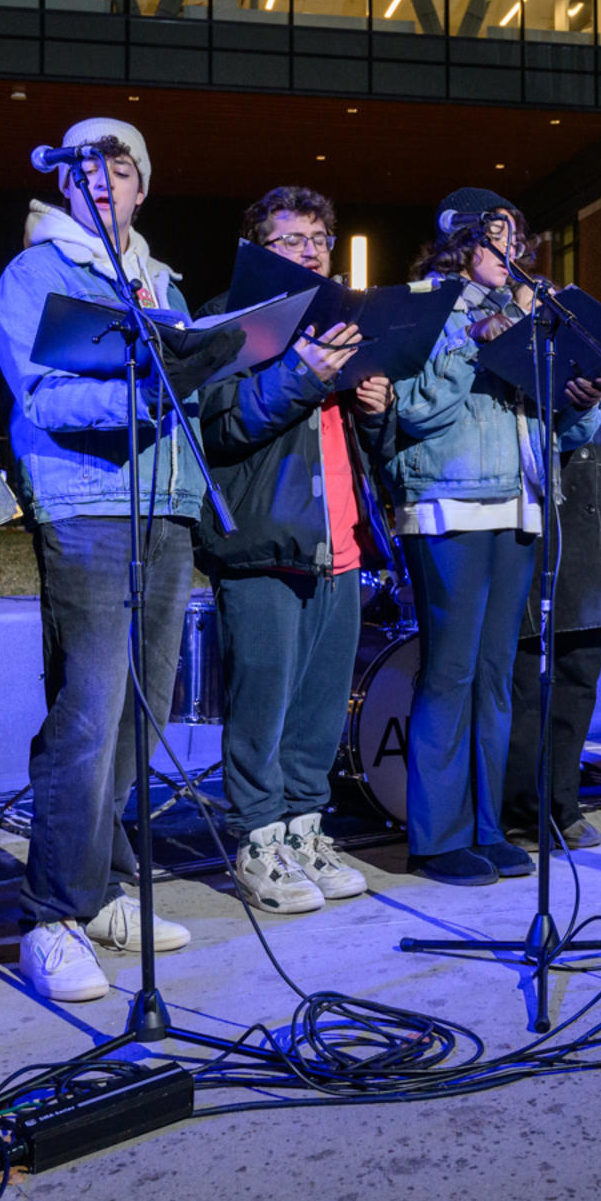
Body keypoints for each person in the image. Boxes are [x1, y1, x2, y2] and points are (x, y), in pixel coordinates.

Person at [0, 118, 207, 999]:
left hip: (164, 502)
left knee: (142, 710)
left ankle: (105, 880)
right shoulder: (35, 272)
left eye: (119, 168)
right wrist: (147, 384)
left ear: (141, 186)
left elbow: (188, 378)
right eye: (84, 167)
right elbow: (39, 394)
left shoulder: (161, 282)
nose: (100, 180)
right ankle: (53, 913)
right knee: (87, 709)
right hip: (86, 504)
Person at [385, 190, 601, 884]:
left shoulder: (525, 313)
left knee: (498, 678)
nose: (511, 252)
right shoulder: (426, 306)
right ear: (460, 243)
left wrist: (579, 405)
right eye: (496, 238)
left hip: (518, 502)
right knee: (448, 674)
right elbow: (415, 409)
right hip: (448, 502)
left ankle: (484, 824)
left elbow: (553, 431)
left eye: (517, 238)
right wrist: (475, 346)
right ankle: (437, 836)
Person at [193, 186, 388, 915]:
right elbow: (222, 427)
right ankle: (256, 843)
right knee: (263, 706)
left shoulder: (345, 326)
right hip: (263, 543)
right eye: (291, 239)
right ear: (256, 249)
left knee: (316, 709)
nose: (310, 251)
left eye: (318, 239)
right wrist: (303, 373)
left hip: (338, 542)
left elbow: (367, 450)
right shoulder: (230, 320)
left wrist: (377, 410)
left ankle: (305, 831)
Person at [504, 324, 601, 848]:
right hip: (538, 544)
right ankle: (521, 807)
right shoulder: (519, 380)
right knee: (525, 688)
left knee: (578, 681)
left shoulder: (599, 392)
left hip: (591, 550)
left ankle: (562, 802)